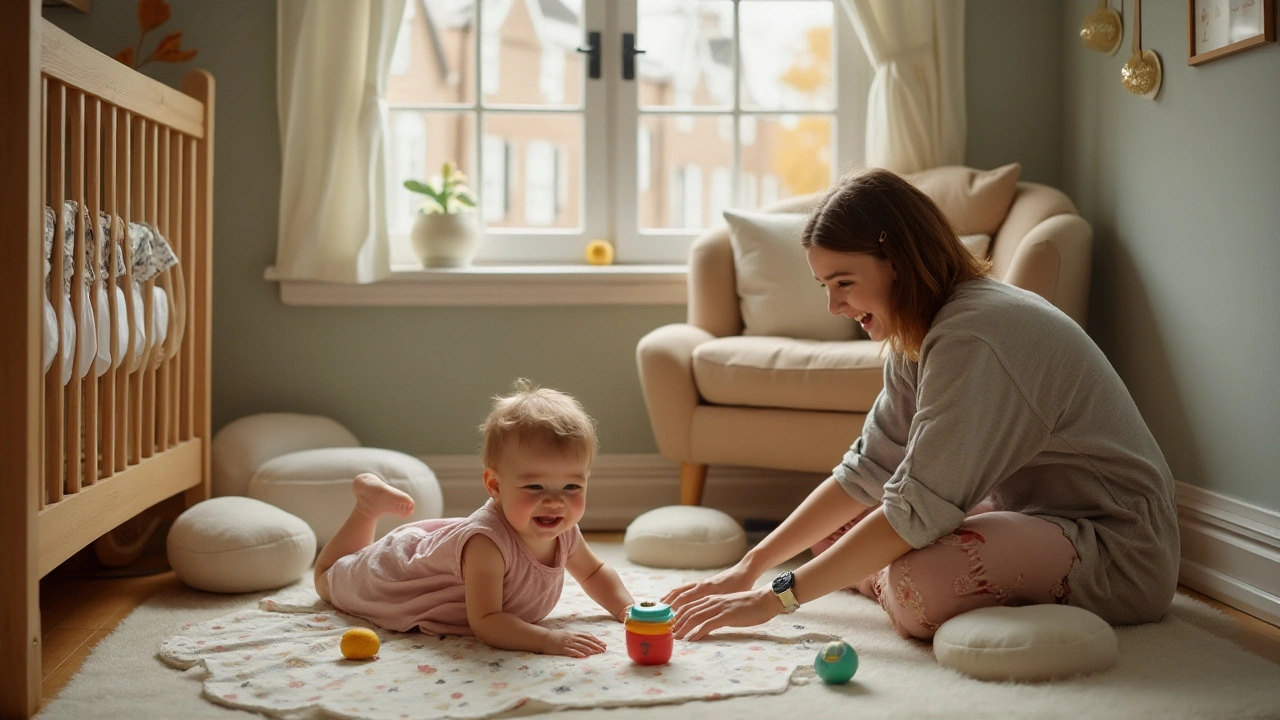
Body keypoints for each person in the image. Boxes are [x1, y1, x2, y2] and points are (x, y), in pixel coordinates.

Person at [663, 168, 1179, 642]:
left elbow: (916, 507)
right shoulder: (918, 331)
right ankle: (879, 569)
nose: (834, 307)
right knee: (843, 528)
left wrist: (776, 599)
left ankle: (883, 578)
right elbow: (867, 469)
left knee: (916, 584)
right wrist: (750, 567)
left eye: (844, 283)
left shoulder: (974, 336)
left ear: (900, 263)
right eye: (825, 286)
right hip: (1028, 515)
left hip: (1115, 549)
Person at [315, 379, 635, 657]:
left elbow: (594, 573)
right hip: (398, 574)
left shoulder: (564, 531)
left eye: (571, 486)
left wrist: (625, 607)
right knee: (327, 579)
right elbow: (487, 621)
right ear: (495, 485)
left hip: (438, 550)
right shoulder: (487, 544)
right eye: (535, 486)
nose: (555, 501)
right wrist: (547, 639)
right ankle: (366, 508)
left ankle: (368, 508)